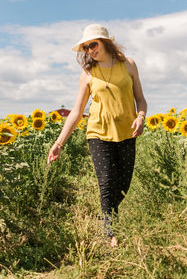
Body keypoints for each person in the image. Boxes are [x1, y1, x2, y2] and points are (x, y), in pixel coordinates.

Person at [47, 24, 147, 247]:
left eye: (93, 44)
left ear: (106, 42)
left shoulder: (128, 65)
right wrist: (59, 142)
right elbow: (76, 111)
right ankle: (111, 233)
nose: (89, 50)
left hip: (126, 133)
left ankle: (108, 215)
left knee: (122, 185)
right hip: (98, 133)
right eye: (86, 47)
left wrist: (140, 117)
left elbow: (141, 99)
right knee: (107, 182)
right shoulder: (88, 73)